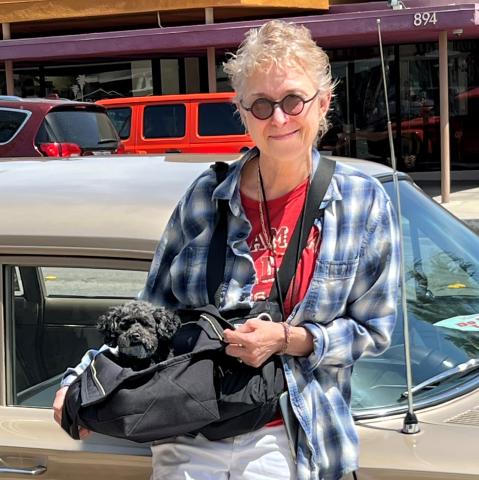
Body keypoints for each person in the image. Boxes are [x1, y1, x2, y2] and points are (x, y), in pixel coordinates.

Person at [53, 19, 400, 480]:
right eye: (260, 104)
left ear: (323, 103)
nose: (278, 118)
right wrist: (81, 379)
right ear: (241, 110)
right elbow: (151, 307)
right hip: (187, 436)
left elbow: (373, 330)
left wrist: (288, 339)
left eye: (293, 100)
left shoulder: (361, 201)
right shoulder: (206, 196)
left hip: (292, 437)